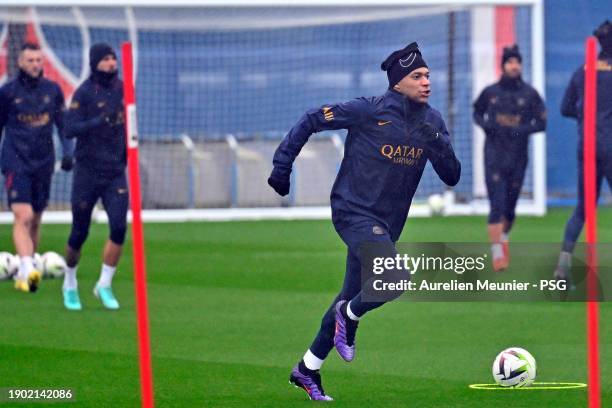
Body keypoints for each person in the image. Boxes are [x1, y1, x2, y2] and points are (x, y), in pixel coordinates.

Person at [268, 42, 461, 401]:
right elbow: (312, 118)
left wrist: (438, 143)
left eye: (428, 75)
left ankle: (307, 369)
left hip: (386, 226)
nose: (426, 82)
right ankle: (349, 314)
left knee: (349, 294)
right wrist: (282, 167)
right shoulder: (368, 110)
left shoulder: (432, 122)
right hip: (353, 211)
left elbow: (452, 176)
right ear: (397, 82)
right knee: (393, 279)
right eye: (417, 76)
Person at [0, 42, 73, 293]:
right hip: (16, 161)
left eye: (38, 60)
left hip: (43, 163)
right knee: (24, 215)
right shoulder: (8, 92)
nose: (35, 64)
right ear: (20, 62)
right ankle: (28, 266)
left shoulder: (52, 90)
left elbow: (63, 125)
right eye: (30, 60)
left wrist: (69, 153)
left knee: (36, 218)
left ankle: (24, 274)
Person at [62, 43, 127, 311]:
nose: (112, 63)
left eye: (114, 58)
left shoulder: (123, 88)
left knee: (119, 227)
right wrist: (99, 121)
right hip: (87, 171)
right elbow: (69, 129)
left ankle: (104, 284)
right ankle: (69, 283)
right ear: (95, 63)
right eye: (106, 59)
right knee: (80, 232)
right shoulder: (84, 93)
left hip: (115, 171)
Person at [472, 45, 546, 272]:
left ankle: (503, 237)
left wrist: (521, 130)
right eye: (509, 62)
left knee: (510, 209)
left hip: (518, 157)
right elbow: (477, 112)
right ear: (503, 66)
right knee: (496, 204)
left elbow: (541, 123)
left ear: (521, 66)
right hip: (494, 155)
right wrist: (488, 126)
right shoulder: (491, 92)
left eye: (517, 62)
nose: (514, 66)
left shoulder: (530, 94)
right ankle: (496, 253)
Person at [554, 20, 612, 283]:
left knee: (583, 208)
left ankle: (562, 267)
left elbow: (566, 107)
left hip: (587, 146)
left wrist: (586, 115)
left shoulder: (583, 71)